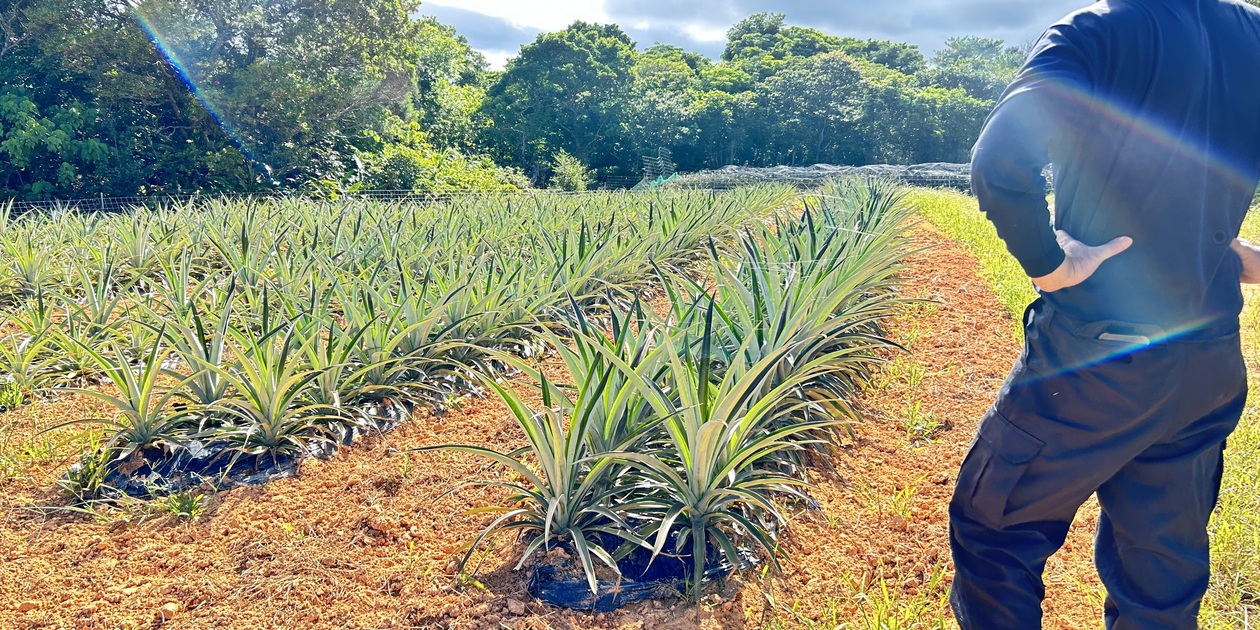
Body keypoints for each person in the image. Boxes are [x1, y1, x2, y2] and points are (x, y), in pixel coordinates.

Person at [951, 0, 1260, 628]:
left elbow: (999, 163)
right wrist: (1212, 233)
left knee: (994, 532)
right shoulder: (1252, 31)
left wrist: (1048, 264)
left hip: (1098, 359)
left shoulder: (1096, 29)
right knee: (1161, 577)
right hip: (1208, 362)